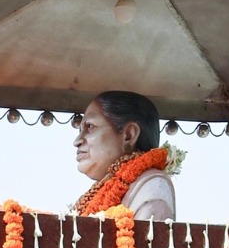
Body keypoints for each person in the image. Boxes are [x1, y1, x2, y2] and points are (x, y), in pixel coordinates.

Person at [74, 90, 176, 221]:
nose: (77, 141)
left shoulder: (152, 185)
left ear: (128, 135)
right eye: (80, 130)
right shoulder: (98, 194)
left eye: (90, 126)